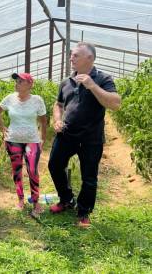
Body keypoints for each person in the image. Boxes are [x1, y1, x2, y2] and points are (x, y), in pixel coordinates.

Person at [48, 42, 121, 228]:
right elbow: (58, 104)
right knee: (55, 165)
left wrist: (92, 86)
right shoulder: (66, 82)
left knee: (89, 176)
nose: (71, 58)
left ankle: (83, 210)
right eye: (71, 55)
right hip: (67, 134)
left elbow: (115, 103)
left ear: (90, 58)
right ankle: (66, 199)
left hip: (91, 137)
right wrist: (57, 119)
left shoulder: (103, 78)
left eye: (75, 55)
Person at [0, 73, 47, 218]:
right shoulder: (9, 98)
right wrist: (2, 128)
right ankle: (20, 200)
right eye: (16, 81)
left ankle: (36, 202)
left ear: (30, 84)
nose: (16, 83)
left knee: (32, 170)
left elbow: (43, 122)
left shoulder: (37, 100)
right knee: (16, 170)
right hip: (13, 140)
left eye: (20, 81)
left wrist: (42, 139)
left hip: (32, 140)